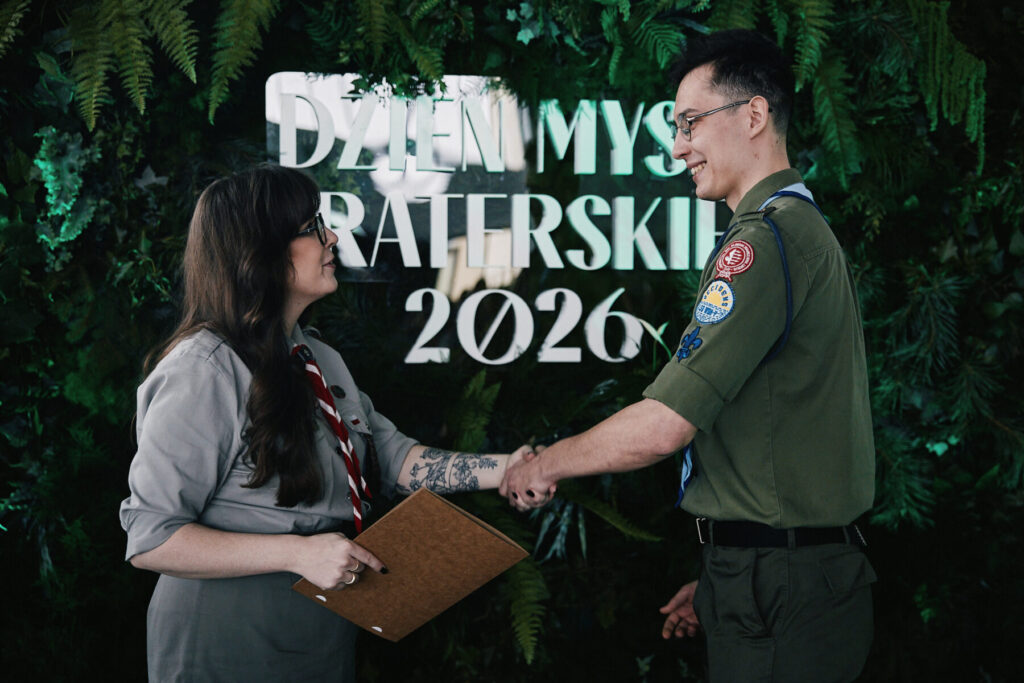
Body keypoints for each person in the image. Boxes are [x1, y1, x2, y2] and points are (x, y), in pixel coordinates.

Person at [501, 29, 876, 682]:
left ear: (753, 115)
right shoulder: (795, 229)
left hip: (780, 584)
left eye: (690, 123)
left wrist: (545, 464)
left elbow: (665, 426)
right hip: (777, 573)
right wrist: (724, 579)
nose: (679, 147)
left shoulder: (763, 244)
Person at [119, 164, 533, 682]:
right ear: (260, 253)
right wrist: (298, 553)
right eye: (311, 228)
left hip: (318, 640)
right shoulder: (202, 370)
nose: (331, 237)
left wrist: (509, 470)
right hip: (226, 644)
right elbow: (153, 539)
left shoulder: (318, 359)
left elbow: (393, 458)